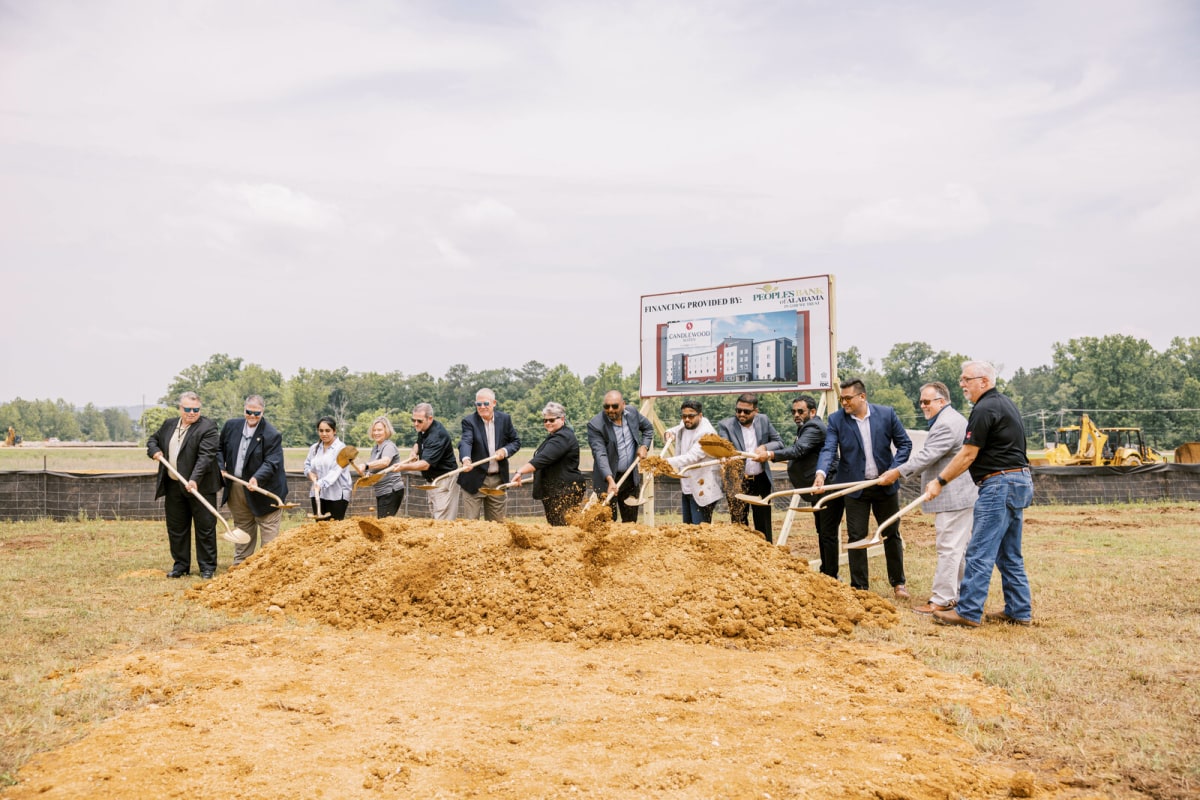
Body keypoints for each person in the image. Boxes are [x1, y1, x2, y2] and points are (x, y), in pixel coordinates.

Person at [925, 361, 1034, 628]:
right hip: (1018, 480)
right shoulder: (1005, 403)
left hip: (998, 484)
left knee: (978, 552)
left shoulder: (984, 408)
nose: (961, 384)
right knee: (1009, 554)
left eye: (966, 379)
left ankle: (968, 612)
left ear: (984, 381)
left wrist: (940, 481)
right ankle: (1019, 610)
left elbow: (968, 454)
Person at [878, 382, 977, 614]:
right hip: (961, 496)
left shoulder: (946, 424)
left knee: (949, 547)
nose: (922, 405)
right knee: (958, 548)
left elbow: (927, 456)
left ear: (941, 401)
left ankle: (942, 599)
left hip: (954, 496)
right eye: (921, 401)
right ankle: (959, 594)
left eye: (926, 401)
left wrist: (897, 472)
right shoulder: (951, 419)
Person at [815, 379, 913, 598]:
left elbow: (905, 444)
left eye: (848, 398)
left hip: (885, 485)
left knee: (891, 533)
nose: (844, 403)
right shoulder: (837, 420)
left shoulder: (886, 414)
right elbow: (829, 449)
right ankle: (860, 588)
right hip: (855, 487)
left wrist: (894, 471)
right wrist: (820, 473)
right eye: (841, 399)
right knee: (857, 536)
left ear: (862, 397)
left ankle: (898, 584)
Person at [147, 392, 221, 579]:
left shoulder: (208, 427)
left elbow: (205, 457)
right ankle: (180, 565)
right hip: (174, 486)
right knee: (177, 528)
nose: (191, 413)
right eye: (187, 409)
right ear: (180, 408)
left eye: (196, 409)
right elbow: (153, 440)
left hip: (201, 486)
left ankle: (207, 567)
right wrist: (154, 450)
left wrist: (194, 479)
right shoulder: (169, 424)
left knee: (205, 528)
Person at [770, 395, 845, 577]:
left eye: (800, 411)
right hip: (818, 488)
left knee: (828, 533)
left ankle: (831, 576)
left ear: (812, 412)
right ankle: (826, 571)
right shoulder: (805, 428)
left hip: (829, 486)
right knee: (822, 531)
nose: (796, 415)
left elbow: (798, 450)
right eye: (793, 412)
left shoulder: (813, 427)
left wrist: (771, 454)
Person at [217, 394, 288, 565]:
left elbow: (272, 462)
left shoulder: (272, 434)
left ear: (263, 412)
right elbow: (218, 448)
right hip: (237, 486)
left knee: (268, 533)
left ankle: (266, 567)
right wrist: (220, 466)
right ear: (244, 409)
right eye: (249, 412)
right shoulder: (231, 426)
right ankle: (241, 564)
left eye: (257, 413)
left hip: (265, 490)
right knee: (243, 525)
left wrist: (257, 478)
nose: (252, 416)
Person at [717, 393, 783, 542]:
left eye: (746, 411)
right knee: (739, 524)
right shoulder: (726, 425)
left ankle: (766, 552)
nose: (741, 414)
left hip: (761, 480)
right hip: (737, 481)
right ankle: (742, 553)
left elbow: (779, 442)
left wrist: (765, 448)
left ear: (755, 411)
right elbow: (724, 447)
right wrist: (725, 455)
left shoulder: (764, 420)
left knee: (763, 523)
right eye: (738, 410)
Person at [511, 402, 587, 526]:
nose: (548, 423)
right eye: (545, 420)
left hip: (565, 491)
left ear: (562, 419)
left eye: (552, 420)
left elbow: (542, 459)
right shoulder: (555, 436)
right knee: (555, 525)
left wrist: (520, 472)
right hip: (555, 489)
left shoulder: (562, 437)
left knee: (562, 527)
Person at [587, 391, 655, 523]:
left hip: (629, 478)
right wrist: (610, 479)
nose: (610, 410)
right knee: (607, 522)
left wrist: (644, 446)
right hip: (607, 480)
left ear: (623, 404)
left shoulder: (632, 413)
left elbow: (648, 428)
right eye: (606, 406)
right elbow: (600, 454)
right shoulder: (595, 425)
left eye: (614, 406)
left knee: (630, 521)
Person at [457, 388, 521, 521]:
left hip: (498, 479)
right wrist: (466, 459)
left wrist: (504, 451)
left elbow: (515, 442)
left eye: (486, 403)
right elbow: (466, 441)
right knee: (471, 523)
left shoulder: (505, 419)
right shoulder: (469, 421)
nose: (482, 407)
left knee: (496, 524)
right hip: (474, 479)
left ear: (494, 403)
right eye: (478, 404)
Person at [394, 403, 459, 520]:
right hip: (433, 480)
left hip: (444, 480)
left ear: (430, 418)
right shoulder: (424, 429)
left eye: (419, 421)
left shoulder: (437, 436)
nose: (415, 423)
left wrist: (403, 467)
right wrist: (414, 451)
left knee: (443, 521)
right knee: (435, 516)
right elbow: (419, 442)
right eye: (413, 420)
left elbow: (425, 465)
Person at [663, 400, 722, 524]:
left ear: (700, 415)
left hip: (702, 487)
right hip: (687, 487)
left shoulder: (707, 433)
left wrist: (664, 462)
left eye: (691, 416)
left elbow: (691, 457)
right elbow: (678, 428)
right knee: (687, 527)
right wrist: (669, 432)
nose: (687, 419)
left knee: (699, 529)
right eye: (684, 416)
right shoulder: (686, 423)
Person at [304, 416, 352, 521]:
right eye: (321, 431)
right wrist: (309, 473)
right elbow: (307, 465)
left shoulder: (341, 448)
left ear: (334, 431)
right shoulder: (314, 448)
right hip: (318, 494)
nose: (324, 434)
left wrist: (320, 484)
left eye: (327, 430)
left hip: (336, 495)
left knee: (334, 527)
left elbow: (335, 471)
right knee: (320, 527)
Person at [361, 416, 405, 518]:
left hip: (391, 490)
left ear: (386, 431)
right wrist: (368, 474)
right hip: (381, 491)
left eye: (379, 430)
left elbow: (385, 462)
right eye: (374, 430)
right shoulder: (375, 448)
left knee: (384, 522)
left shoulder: (389, 446)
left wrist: (366, 465)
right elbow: (374, 467)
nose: (376, 433)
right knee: (383, 521)